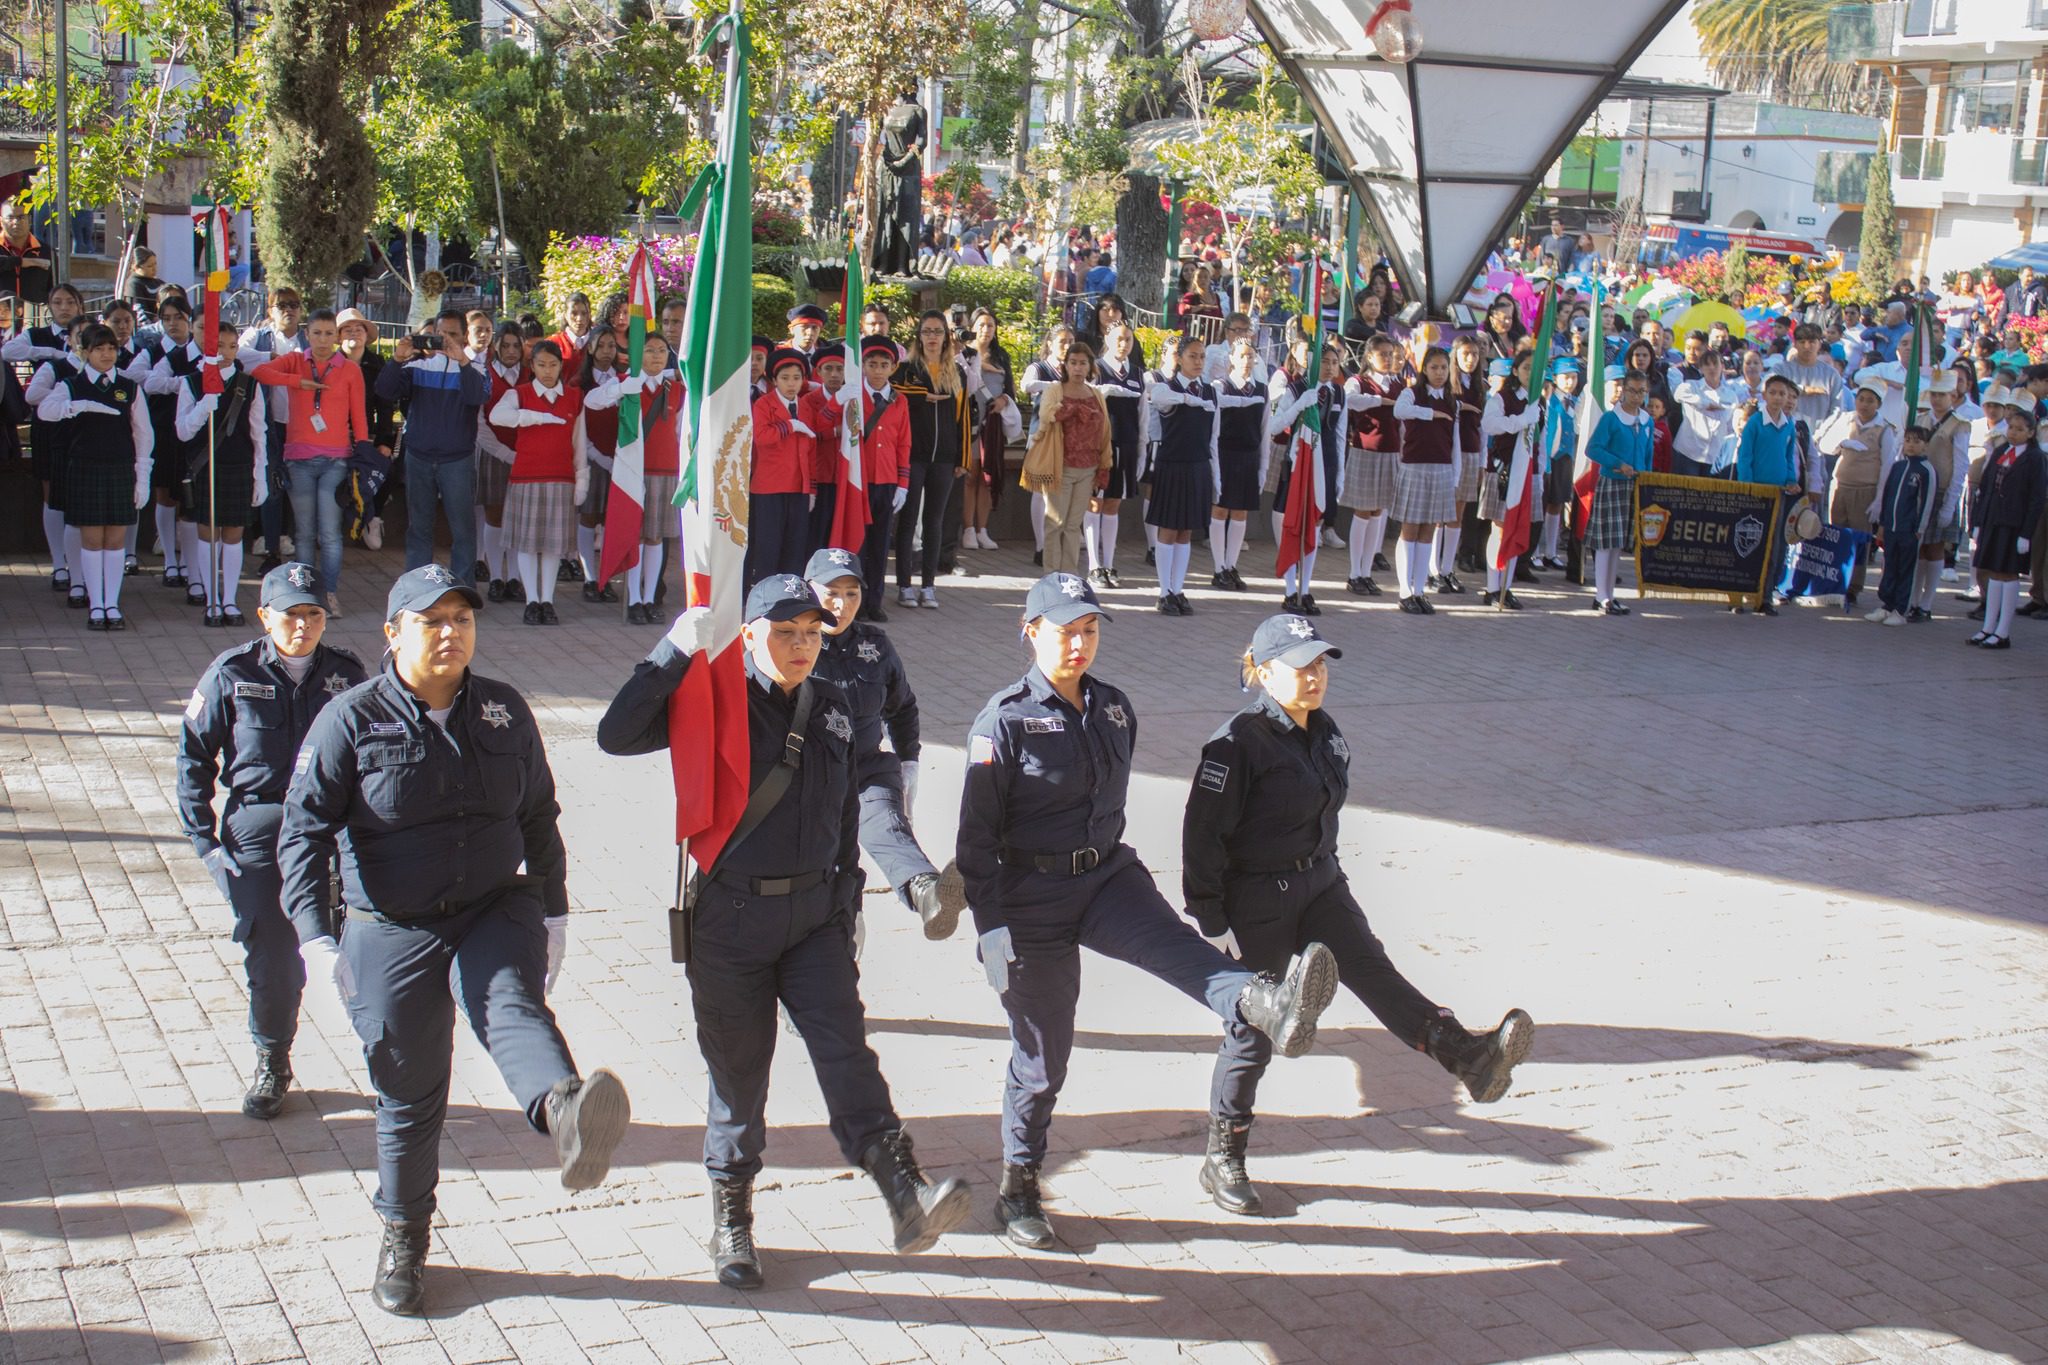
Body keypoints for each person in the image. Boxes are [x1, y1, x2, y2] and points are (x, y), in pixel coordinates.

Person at [597, 576, 972, 1288]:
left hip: (813, 921)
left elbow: (854, 806)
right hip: (730, 921)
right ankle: (732, 1219)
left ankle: (906, 1194)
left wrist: (853, 901)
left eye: (810, 632)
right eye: (784, 631)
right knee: (739, 1074)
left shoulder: (832, 707)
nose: (801, 645)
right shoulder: (712, 700)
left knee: (847, 1054)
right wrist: (676, 647)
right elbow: (615, 734)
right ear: (748, 634)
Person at [278, 565, 631, 1315]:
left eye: (461, 619)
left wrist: (557, 912)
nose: (449, 633)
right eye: (431, 620)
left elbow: (540, 813)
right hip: (391, 923)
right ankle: (405, 1234)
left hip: (492, 904)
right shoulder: (349, 718)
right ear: (393, 633)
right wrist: (317, 939)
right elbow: (302, 833)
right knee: (408, 1092)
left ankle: (566, 1113)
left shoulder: (502, 708)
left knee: (512, 1003)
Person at [956, 572, 1340, 1250]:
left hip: (1105, 875)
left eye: (1091, 629)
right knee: (1044, 1056)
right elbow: (976, 843)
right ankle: (1018, 1186)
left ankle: (1267, 1002)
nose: (1080, 643)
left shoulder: (1113, 708)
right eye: (1066, 630)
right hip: (1029, 897)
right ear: (1031, 631)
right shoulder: (1003, 722)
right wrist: (989, 925)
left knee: (1178, 949)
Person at [1185, 614, 1534, 1213]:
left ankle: (1470, 1059)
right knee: (1256, 1031)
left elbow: (1325, 815)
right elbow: (1202, 836)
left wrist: (1331, 877)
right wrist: (1211, 920)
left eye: (1321, 664)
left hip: (1321, 884)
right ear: (1265, 673)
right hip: (1258, 901)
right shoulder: (1236, 743)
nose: (1315, 676)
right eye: (1301, 666)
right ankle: (1224, 1155)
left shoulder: (1323, 731)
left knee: (1377, 975)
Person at [178, 563, 366, 1115]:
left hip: (330, 831)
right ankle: (272, 1060)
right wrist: (205, 842)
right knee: (275, 957)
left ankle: (389, 1061)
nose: (303, 626)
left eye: (313, 614)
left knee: (362, 950)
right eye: (291, 616)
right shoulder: (231, 672)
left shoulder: (347, 675)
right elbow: (194, 753)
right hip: (258, 831)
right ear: (265, 617)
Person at [804, 547, 966, 934]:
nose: (841, 605)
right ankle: (842, 923)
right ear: (809, 590)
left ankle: (928, 893)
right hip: (810, 776)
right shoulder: (792, 643)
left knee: (886, 825)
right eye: (831, 592)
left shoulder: (875, 647)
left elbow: (902, 706)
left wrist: (909, 760)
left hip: (866, 768)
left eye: (852, 594)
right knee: (829, 861)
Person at [250, 308, 368, 617]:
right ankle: (305, 594)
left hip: (336, 460)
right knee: (303, 532)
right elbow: (260, 372)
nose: (323, 339)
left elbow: (359, 414)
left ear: (337, 336)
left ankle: (328, 593)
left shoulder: (349, 369)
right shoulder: (295, 361)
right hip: (299, 459)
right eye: (317, 333)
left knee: (329, 531)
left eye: (330, 334)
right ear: (307, 334)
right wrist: (297, 382)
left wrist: (364, 451)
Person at [36, 321, 154, 630]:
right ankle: (95, 603)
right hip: (85, 468)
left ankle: (112, 604)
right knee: (91, 538)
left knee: (115, 539)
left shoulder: (129, 386)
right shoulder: (71, 384)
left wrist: (143, 475)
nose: (106, 355)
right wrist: (78, 406)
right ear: (85, 352)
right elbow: (44, 410)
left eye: (111, 348)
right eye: (98, 349)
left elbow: (143, 434)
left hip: (119, 468)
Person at [378, 309, 489, 585]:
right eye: (441, 334)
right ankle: (418, 588)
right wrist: (397, 359)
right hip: (419, 457)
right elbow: (384, 391)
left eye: (453, 334)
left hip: (457, 461)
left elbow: (477, 396)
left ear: (465, 336)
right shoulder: (417, 366)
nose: (446, 340)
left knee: (462, 529)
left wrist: (462, 361)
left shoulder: (476, 369)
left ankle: (463, 589)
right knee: (419, 528)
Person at [584, 331, 686, 622]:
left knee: (655, 538)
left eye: (661, 351)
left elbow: (680, 433)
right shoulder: (628, 383)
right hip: (633, 470)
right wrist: (624, 387)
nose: (655, 356)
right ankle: (634, 599)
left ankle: (651, 597)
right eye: (650, 350)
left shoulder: (676, 389)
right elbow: (592, 401)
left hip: (665, 470)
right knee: (636, 536)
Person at [174, 323, 270, 626]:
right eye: (219, 346)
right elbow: (182, 431)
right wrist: (204, 405)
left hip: (239, 465)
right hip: (206, 465)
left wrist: (261, 474)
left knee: (233, 534)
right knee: (208, 532)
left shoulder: (249, 384)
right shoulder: (191, 382)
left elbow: (259, 432)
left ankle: (229, 599)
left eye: (231, 346)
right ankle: (211, 598)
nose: (226, 353)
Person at [488, 338, 588, 622]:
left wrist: (582, 479)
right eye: (541, 364)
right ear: (531, 366)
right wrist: (534, 417)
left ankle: (548, 600)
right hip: (526, 478)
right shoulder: (519, 394)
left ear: (561, 367)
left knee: (553, 546)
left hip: (561, 479)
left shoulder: (573, 398)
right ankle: (531, 600)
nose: (547, 370)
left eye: (553, 365)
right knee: (527, 543)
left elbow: (580, 443)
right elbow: (498, 416)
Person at [892, 311, 972, 608]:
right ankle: (903, 585)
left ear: (946, 336)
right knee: (908, 520)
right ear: (919, 335)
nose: (932, 337)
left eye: (938, 331)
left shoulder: (957, 372)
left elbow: (963, 418)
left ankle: (928, 585)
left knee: (935, 521)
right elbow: (894, 390)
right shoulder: (907, 369)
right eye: (927, 331)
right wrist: (922, 395)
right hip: (913, 456)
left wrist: (963, 458)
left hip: (944, 457)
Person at [1733, 372, 1823, 617]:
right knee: (1747, 542)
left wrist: (1791, 480)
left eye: (1782, 394)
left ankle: (1764, 597)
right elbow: (1745, 457)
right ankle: (1738, 596)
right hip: (1755, 492)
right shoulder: (1754, 423)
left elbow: (1788, 458)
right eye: (1773, 392)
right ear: (1764, 395)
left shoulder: (1789, 425)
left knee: (1774, 546)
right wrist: (1747, 486)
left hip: (1778, 494)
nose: (1777, 397)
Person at [1144, 335, 1222, 614]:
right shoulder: (1167, 387)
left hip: (1198, 465)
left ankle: (1178, 589)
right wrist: (1191, 399)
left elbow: (1214, 437)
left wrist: (1216, 478)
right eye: (1192, 355)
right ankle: (1164, 591)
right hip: (1172, 465)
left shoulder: (1212, 392)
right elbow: (1160, 399)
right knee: (1168, 528)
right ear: (1178, 358)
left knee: (1186, 530)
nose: (1198, 361)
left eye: (1202, 356)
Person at [138, 294, 203, 596]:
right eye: (167, 318)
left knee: (190, 501)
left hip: (195, 434)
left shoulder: (208, 352)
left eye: (179, 317)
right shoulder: (160, 354)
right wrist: (185, 382)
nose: (174, 323)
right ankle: (169, 560)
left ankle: (191, 566)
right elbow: (146, 380)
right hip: (165, 430)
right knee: (164, 494)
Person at [1390, 346, 1462, 614]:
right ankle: (1405, 590)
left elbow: (1455, 441)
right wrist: (1430, 413)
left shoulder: (1452, 400)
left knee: (1428, 531)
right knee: (1410, 528)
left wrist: (1454, 475)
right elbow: (1400, 411)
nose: (1440, 373)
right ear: (1424, 369)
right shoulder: (1412, 393)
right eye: (1434, 367)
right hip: (1415, 467)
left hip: (1441, 469)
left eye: (1444, 368)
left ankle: (1419, 590)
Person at [1816, 378, 1898, 612]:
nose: (1864, 404)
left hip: (1865, 490)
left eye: (1870, 400)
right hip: (1841, 486)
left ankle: (1853, 588)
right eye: (1861, 398)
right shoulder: (1847, 419)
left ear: (1878, 404)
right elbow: (1825, 446)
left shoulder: (1884, 429)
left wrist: (1879, 500)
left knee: (1859, 541)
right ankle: (1834, 583)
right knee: (1837, 536)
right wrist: (1843, 441)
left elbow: (1887, 467)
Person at [1031, 339, 1111, 576]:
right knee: (1056, 523)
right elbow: (1046, 416)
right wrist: (1072, 409)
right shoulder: (1055, 390)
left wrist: (1104, 466)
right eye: (1073, 363)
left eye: (1082, 363)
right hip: (1060, 466)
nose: (1078, 368)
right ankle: (1051, 575)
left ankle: (1069, 576)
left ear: (1090, 367)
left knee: (1074, 525)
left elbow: (1105, 431)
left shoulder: (1096, 394)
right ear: (1065, 365)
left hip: (1088, 467)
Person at [243, 289, 309, 573]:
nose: (288, 311)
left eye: (293, 305)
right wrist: (269, 356)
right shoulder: (257, 337)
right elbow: (238, 355)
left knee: (299, 487)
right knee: (271, 485)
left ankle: (298, 550)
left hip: (301, 427)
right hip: (268, 424)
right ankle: (271, 549)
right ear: (270, 310)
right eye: (281, 305)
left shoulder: (308, 340)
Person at [1969, 407, 2045, 649]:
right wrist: (1978, 522)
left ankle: (2003, 631)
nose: (2013, 433)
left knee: (2007, 573)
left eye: (2020, 429)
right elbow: (1987, 486)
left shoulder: (2035, 458)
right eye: (2011, 427)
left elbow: (2036, 498)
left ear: (2031, 433)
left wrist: (2026, 533)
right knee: (1992, 571)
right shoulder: (2003, 450)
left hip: (2014, 524)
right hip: (1993, 520)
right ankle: (1988, 627)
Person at [1582, 368, 1656, 615]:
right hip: (1613, 482)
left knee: (1619, 543)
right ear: (1623, 391)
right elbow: (1593, 449)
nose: (1637, 396)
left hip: (1634, 484)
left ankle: (1610, 594)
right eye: (1632, 391)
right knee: (1606, 541)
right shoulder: (1611, 419)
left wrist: (1646, 476)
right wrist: (1617, 463)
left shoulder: (1646, 420)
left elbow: (1648, 455)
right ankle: (1601, 595)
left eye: (1642, 391)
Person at [850, 335, 911, 617]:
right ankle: (856, 602)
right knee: (858, 543)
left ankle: (874, 601)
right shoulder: (854, 397)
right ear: (863, 366)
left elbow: (904, 443)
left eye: (883, 364)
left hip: (886, 481)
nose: (877, 370)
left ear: (893, 368)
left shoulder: (899, 401)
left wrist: (903, 483)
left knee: (880, 544)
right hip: (859, 479)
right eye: (872, 364)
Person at [1478, 352, 1543, 609]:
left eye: (1535, 369)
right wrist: (1520, 421)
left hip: (1528, 471)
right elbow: (1490, 425)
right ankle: (1493, 586)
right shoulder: (1502, 398)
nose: (1530, 373)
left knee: (1516, 526)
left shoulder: (1539, 402)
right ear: (1515, 371)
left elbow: (1542, 438)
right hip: (1503, 469)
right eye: (1526, 368)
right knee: (1500, 528)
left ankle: (1507, 586)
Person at [1341, 337, 1403, 600]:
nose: (1387, 359)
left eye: (1391, 354)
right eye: (1382, 354)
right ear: (1369, 356)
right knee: (1363, 511)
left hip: (1390, 452)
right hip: (1365, 450)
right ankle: (1355, 572)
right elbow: (1351, 401)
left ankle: (1367, 571)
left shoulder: (1398, 384)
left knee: (1379, 510)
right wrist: (1381, 401)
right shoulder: (1358, 381)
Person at [1209, 338, 1269, 591]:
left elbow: (1265, 430)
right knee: (1220, 510)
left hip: (1249, 455)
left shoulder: (1262, 389)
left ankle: (1232, 565)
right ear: (1231, 359)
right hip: (1225, 453)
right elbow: (1213, 430)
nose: (1247, 361)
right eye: (1242, 356)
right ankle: (1218, 566)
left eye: (1251, 356)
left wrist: (1262, 467)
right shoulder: (1220, 386)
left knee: (1241, 512)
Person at [475, 323, 529, 602]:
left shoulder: (531, 374)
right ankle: (496, 576)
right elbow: (480, 423)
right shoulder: (485, 373)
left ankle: (515, 579)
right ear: (496, 346)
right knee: (495, 516)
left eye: (516, 346)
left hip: (526, 456)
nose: (510, 351)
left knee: (519, 520)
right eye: (505, 345)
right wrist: (505, 453)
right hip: (495, 454)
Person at [573, 330, 626, 601]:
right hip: (591, 458)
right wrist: (600, 457)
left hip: (619, 460)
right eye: (601, 345)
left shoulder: (623, 381)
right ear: (591, 349)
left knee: (609, 518)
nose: (607, 351)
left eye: (611, 346)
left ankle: (605, 578)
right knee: (589, 516)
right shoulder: (580, 383)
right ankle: (589, 578)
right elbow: (580, 429)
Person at [1868, 425, 1935, 627]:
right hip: (1891, 528)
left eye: (1917, 441)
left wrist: (1919, 529)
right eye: (1908, 440)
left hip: (1909, 530)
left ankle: (1900, 608)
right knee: (1889, 566)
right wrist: (1882, 524)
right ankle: (1886, 605)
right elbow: (1888, 496)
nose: (1911, 445)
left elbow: (1926, 502)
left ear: (1925, 445)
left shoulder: (1926, 471)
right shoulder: (1897, 467)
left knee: (1905, 569)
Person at [1671, 349, 1743, 479]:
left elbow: (1731, 425)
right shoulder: (1691, 386)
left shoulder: (1730, 395)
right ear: (1701, 368)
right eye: (1707, 364)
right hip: (1688, 451)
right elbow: (1678, 394)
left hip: (1714, 455)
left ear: (1722, 366)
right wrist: (1704, 403)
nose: (1711, 368)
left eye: (1715, 364)